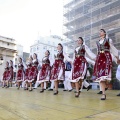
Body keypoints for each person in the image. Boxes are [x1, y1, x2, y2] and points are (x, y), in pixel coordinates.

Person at [93, 29, 119, 100]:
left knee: (106, 76)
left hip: (106, 58)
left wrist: (117, 57)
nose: (100, 32)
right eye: (99, 31)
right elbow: (98, 51)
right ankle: (103, 94)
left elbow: (113, 49)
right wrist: (95, 58)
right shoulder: (97, 42)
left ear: (104, 33)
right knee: (101, 77)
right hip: (99, 59)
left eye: (101, 31)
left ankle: (106, 85)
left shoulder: (108, 40)